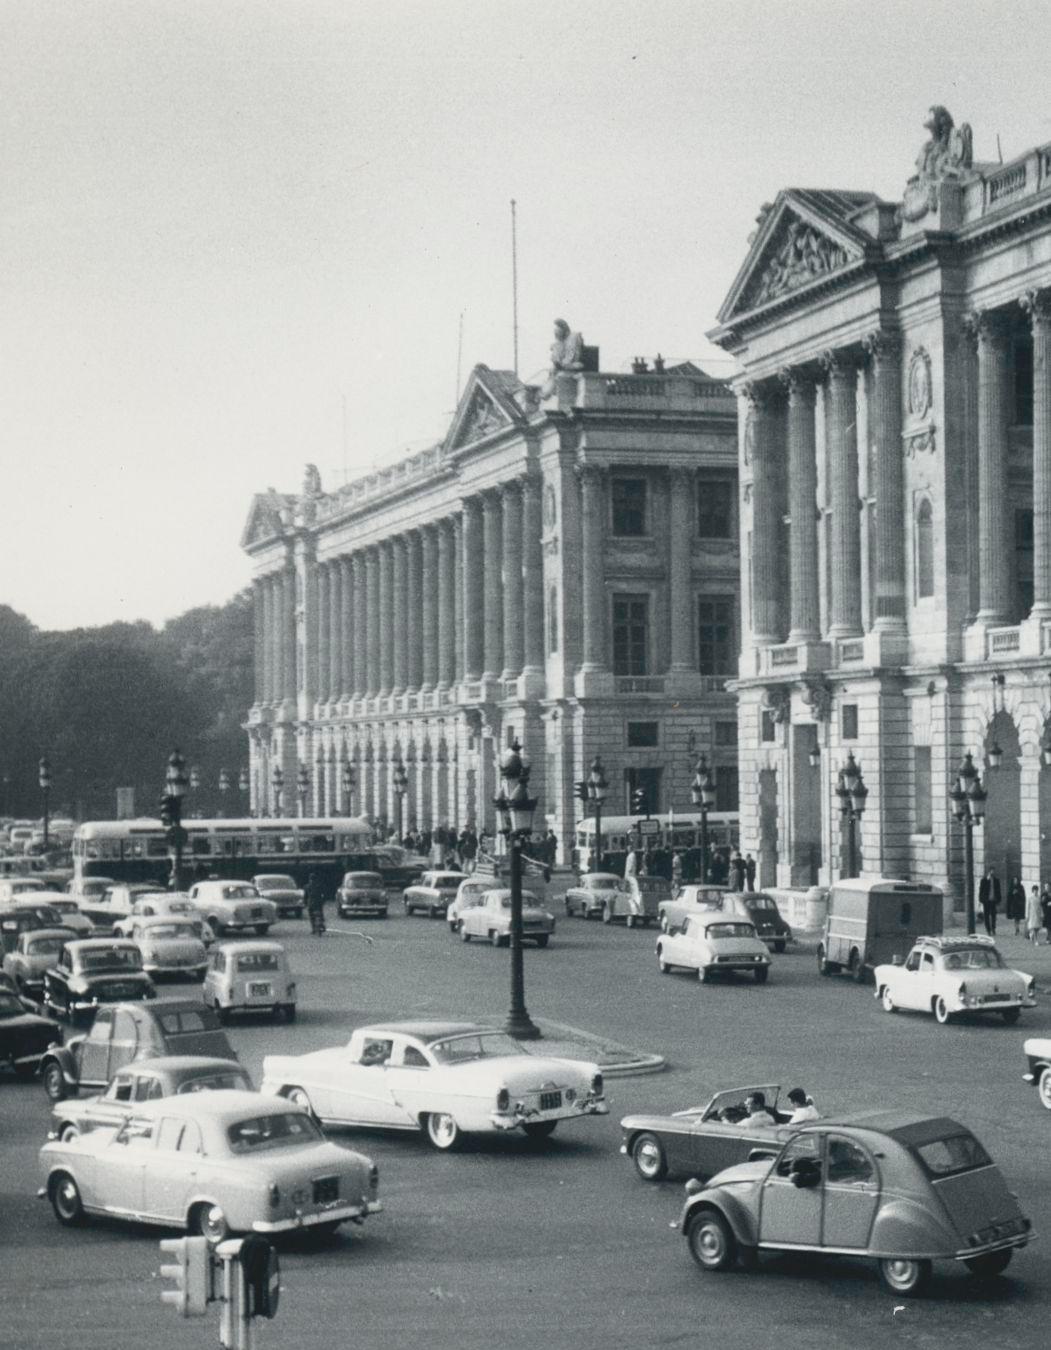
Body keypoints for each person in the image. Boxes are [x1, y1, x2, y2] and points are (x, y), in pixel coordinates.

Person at [978, 868, 1001, 936]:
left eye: (993, 872)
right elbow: (981, 890)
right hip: (986, 901)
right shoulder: (984, 880)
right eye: (991, 872)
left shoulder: (996, 880)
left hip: (993, 900)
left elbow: (998, 891)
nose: (992, 873)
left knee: (994, 915)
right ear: (988, 872)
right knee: (986, 916)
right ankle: (988, 930)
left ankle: (993, 928)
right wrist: (981, 900)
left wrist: (999, 900)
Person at [305, 871, 326, 936]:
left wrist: (305, 902)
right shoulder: (319, 885)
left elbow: (305, 896)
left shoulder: (307, 886)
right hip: (318, 902)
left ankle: (314, 928)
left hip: (311, 903)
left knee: (311, 916)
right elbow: (324, 894)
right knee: (320, 913)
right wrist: (323, 901)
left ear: (309, 879)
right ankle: (321, 923)